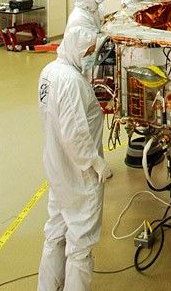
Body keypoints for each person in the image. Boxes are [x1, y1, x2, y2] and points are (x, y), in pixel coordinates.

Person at [37, 26, 112, 290]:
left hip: (57, 167)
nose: (92, 57)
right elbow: (74, 133)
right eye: (89, 52)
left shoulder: (50, 72)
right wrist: (95, 162)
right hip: (79, 174)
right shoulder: (71, 81)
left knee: (55, 230)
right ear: (77, 49)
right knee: (81, 244)